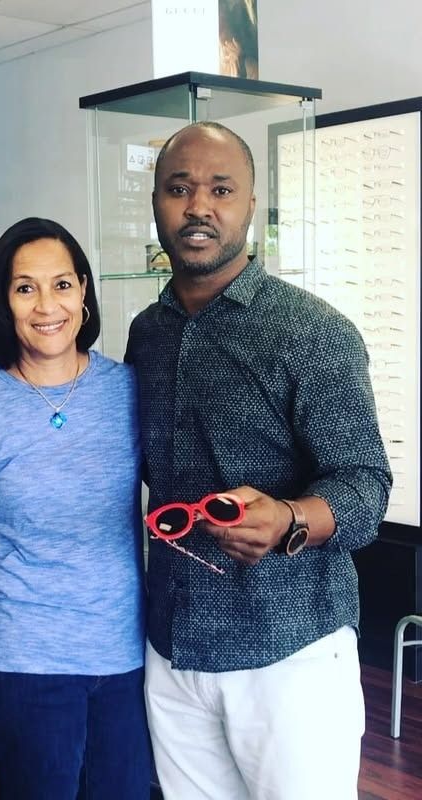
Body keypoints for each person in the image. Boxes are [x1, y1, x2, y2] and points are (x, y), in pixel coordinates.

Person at [125, 122, 392, 800]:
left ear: (251, 205)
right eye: (179, 189)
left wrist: (289, 519)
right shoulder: (147, 334)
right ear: (156, 204)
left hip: (289, 650)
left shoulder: (312, 331)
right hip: (174, 647)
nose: (198, 207)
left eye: (221, 190)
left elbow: (366, 486)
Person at [0, 217, 150, 800]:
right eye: (25, 287)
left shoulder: (129, 390)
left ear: (84, 292)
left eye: (62, 284)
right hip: (22, 661)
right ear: (3, 301)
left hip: (125, 655)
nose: (46, 305)